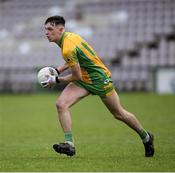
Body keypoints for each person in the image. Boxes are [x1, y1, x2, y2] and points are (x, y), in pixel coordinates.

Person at [42, 15, 154, 157]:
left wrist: (56, 80)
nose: (46, 32)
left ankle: (146, 137)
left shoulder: (67, 47)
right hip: (84, 78)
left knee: (119, 114)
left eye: (50, 29)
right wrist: (57, 71)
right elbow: (73, 62)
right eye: (45, 29)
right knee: (61, 104)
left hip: (99, 79)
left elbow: (76, 76)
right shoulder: (69, 37)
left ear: (61, 29)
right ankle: (69, 145)